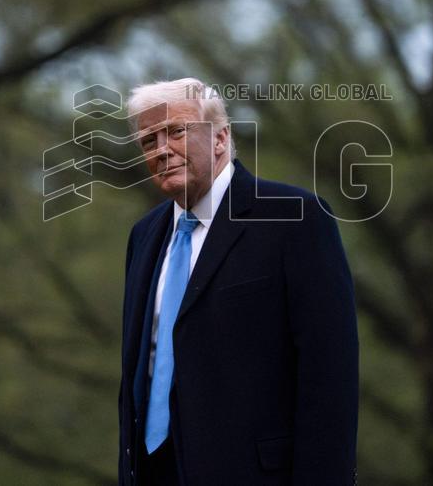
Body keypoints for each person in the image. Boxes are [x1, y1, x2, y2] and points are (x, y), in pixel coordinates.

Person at [118, 78, 358, 485]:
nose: (161, 150)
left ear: (220, 137)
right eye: (148, 140)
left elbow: (329, 376)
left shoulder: (295, 218)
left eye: (177, 131)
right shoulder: (144, 236)